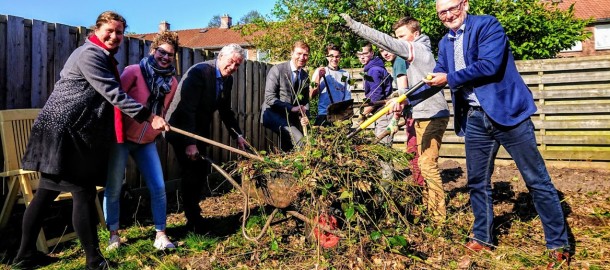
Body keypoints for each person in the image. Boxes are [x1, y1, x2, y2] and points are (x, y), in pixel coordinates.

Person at [14, 11, 170, 270]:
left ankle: (24, 256)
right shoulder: (90, 55)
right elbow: (113, 93)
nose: (114, 36)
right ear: (97, 30)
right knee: (82, 193)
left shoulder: (101, 55)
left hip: (66, 130)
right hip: (64, 132)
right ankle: (94, 261)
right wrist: (148, 117)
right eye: (109, 30)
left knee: (45, 194)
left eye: (119, 32)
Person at [424, 0, 570, 266]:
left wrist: (448, 78)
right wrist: (405, 99)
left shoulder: (487, 25)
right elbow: (438, 75)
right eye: (441, 12)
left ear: (465, 4)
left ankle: (558, 244)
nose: (448, 15)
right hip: (475, 119)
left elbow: (488, 65)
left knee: (536, 180)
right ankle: (483, 238)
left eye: (452, 8)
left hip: (508, 114)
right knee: (478, 182)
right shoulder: (445, 42)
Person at [341, 14, 451, 222]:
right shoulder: (418, 53)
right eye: (397, 36)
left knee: (427, 165)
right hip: (422, 114)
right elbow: (410, 90)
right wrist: (401, 103)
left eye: (402, 36)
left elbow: (386, 42)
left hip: (432, 114)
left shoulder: (416, 49)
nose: (398, 41)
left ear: (415, 34)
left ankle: (438, 218)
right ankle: (430, 207)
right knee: (422, 163)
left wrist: (354, 26)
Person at [103, 31, 180, 251]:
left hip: (147, 141)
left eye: (170, 55)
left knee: (158, 186)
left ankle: (161, 234)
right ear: (153, 50)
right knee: (114, 187)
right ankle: (114, 235)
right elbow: (115, 102)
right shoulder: (134, 72)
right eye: (161, 52)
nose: (165, 58)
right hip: (121, 139)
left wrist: (161, 123)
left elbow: (162, 110)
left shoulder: (172, 82)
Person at [165, 43, 246, 233]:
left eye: (237, 65)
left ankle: (195, 215)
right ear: (220, 57)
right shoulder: (199, 73)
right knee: (192, 172)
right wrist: (190, 143)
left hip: (199, 129)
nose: (233, 68)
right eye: (231, 62)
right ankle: (193, 221)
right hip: (181, 129)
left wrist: (238, 135)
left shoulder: (227, 80)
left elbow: (226, 111)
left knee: (200, 171)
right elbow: (187, 109)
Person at [378, 48, 425, 187]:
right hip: (414, 112)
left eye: (387, 49)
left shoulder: (399, 61)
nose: (385, 53)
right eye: (381, 51)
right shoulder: (402, 61)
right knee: (417, 151)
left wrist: (394, 119)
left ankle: (420, 187)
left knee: (414, 151)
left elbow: (403, 95)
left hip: (413, 113)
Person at [261, 41, 311, 151]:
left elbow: (305, 101)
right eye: (299, 53)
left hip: (289, 117)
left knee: (289, 147)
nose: (302, 57)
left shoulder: (305, 76)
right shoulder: (278, 70)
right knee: (299, 140)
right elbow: (269, 98)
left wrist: (305, 115)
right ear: (292, 53)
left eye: (305, 54)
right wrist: (291, 108)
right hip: (273, 114)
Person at [356, 43, 393, 145]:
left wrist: (364, 114)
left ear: (372, 53)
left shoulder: (374, 70)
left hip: (384, 112)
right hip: (381, 112)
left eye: (365, 53)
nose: (362, 57)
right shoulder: (372, 68)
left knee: (383, 147)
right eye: (359, 54)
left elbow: (376, 95)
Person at [310, 43, 352, 126]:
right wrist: (319, 76)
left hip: (339, 116)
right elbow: (312, 94)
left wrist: (345, 115)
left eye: (337, 56)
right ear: (327, 56)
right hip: (324, 114)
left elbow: (347, 96)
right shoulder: (320, 71)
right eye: (331, 56)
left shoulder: (345, 74)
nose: (334, 59)